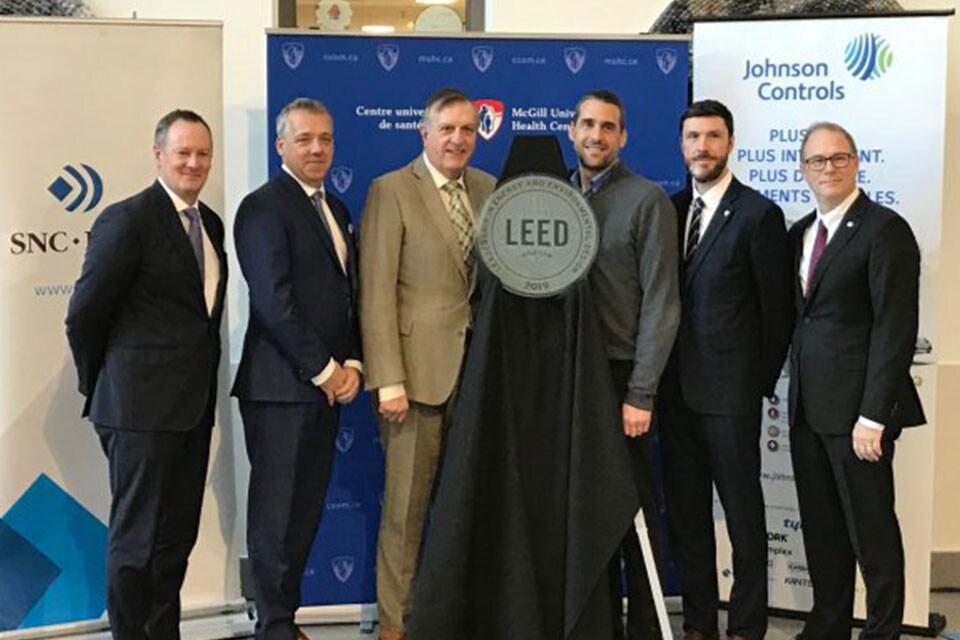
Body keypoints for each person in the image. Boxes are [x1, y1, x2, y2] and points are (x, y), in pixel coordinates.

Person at [65, 109, 226, 640]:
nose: (194, 162)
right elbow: (85, 313)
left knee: (175, 540)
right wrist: (107, 385)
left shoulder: (213, 224)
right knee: (136, 544)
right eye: (182, 152)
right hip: (137, 410)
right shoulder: (127, 219)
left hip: (192, 410)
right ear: (159, 155)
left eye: (202, 153)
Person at [359, 87, 496, 640]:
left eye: (467, 130)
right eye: (447, 129)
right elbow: (375, 292)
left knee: (467, 510)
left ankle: (453, 617)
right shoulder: (391, 190)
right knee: (405, 514)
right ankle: (397, 626)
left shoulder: (489, 189)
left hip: (478, 378)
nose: (458, 139)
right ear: (425, 133)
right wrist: (387, 378)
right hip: (413, 381)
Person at [659, 99, 794, 640]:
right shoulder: (667, 210)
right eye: (693, 137)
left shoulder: (760, 215)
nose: (702, 147)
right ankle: (698, 625)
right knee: (688, 517)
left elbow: (776, 313)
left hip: (731, 396)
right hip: (673, 394)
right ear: (682, 143)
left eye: (713, 137)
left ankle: (745, 627)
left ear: (730, 143)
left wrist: (753, 386)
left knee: (743, 516)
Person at [232, 97, 361, 640]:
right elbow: (274, 302)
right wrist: (327, 370)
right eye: (304, 139)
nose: (316, 148)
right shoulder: (262, 207)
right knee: (276, 514)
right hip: (281, 388)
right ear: (281, 144)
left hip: (325, 387)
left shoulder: (336, 209)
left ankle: (286, 619)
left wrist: (352, 362)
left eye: (325, 139)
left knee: (304, 512)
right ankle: (274, 626)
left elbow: (347, 296)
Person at [789, 121, 925, 640]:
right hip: (807, 410)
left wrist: (873, 414)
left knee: (871, 532)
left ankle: (883, 631)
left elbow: (895, 328)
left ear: (856, 162)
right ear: (803, 169)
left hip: (858, 418)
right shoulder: (801, 231)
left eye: (838, 158)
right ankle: (827, 625)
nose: (829, 168)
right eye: (818, 161)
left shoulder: (884, 229)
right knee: (823, 531)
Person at [568, 89, 680, 639]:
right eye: (588, 124)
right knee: (583, 510)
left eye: (608, 126)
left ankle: (647, 628)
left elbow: (663, 302)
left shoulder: (647, 200)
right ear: (572, 130)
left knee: (632, 508)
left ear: (623, 137)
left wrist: (641, 392)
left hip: (621, 379)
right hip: (566, 381)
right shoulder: (552, 196)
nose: (597, 135)